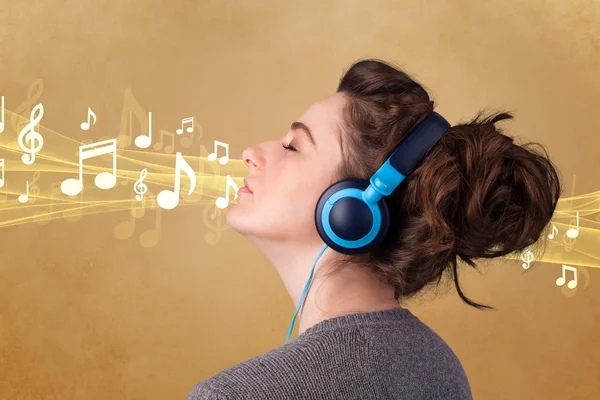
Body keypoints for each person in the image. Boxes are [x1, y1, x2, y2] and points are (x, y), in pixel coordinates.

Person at [186, 58, 562, 399]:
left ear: (353, 208)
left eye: (292, 146)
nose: (251, 152)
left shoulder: (233, 396)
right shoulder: (440, 368)